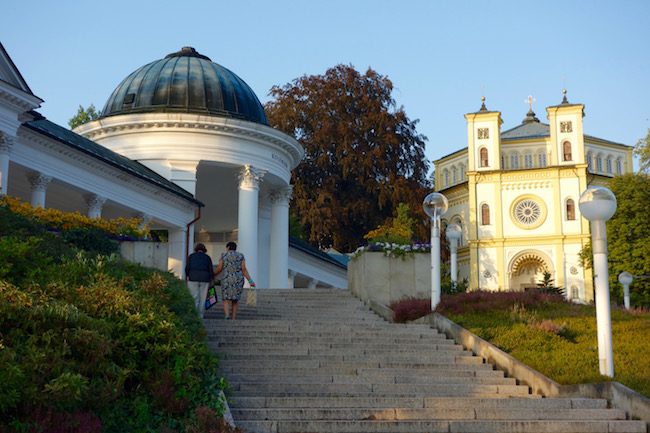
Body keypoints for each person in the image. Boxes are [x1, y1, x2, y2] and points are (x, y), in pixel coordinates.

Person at [214, 241, 254, 320]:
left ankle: (227, 315)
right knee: (235, 299)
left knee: (225, 298)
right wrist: (250, 280)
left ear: (228, 247)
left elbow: (219, 268)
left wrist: (213, 275)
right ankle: (233, 318)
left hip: (227, 279)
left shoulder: (224, 255)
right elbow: (244, 269)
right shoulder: (240, 256)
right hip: (238, 279)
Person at [185, 243, 214, 317]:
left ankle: (194, 315)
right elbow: (210, 269)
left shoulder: (191, 256)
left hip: (193, 278)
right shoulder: (207, 257)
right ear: (204, 250)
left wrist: (188, 276)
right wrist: (211, 279)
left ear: (196, 249)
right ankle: (201, 315)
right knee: (203, 298)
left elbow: (187, 268)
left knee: (194, 297)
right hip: (205, 279)